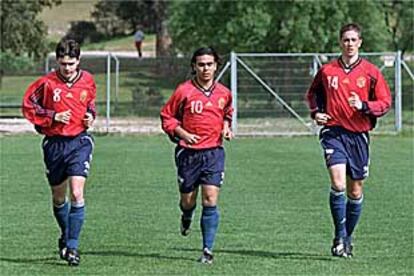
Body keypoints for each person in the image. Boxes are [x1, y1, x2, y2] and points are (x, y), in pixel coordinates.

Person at [306, 23, 392, 258]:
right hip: (333, 133)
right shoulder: (327, 71)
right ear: (340, 42)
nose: (350, 44)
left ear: (360, 43)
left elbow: (385, 103)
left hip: (359, 136)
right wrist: (316, 113)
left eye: (354, 40)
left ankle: (347, 237)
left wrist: (364, 106)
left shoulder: (371, 72)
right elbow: (313, 93)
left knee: (355, 191)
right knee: (339, 184)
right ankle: (338, 236)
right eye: (346, 40)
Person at [22, 39, 96, 266]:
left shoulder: (88, 80)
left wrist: (91, 116)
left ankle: (72, 247)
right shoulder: (46, 83)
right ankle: (66, 235)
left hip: (79, 142)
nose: (68, 68)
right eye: (64, 64)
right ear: (58, 61)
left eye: (72, 64)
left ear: (79, 61)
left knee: (76, 193)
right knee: (58, 197)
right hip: (54, 145)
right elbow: (28, 106)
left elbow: (90, 103)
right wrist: (52, 116)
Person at [160, 47, 233, 264]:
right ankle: (186, 215)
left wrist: (227, 127)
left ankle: (207, 250)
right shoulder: (184, 91)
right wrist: (183, 133)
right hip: (188, 155)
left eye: (209, 64)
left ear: (216, 66)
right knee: (188, 200)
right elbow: (167, 117)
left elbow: (228, 113)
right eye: (201, 64)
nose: (205, 69)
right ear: (194, 66)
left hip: (213, 153)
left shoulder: (224, 93)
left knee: (210, 199)